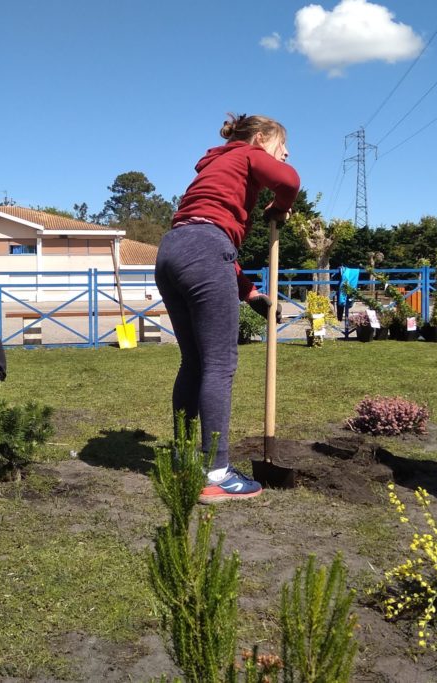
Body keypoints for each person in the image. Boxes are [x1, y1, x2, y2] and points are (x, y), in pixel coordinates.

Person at [155, 113, 300, 503]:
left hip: (172, 250)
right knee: (220, 365)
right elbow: (290, 182)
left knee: (194, 363)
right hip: (204, 248)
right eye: (281, 146)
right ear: (259, 138)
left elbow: (206, 243)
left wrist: (249, 292)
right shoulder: (246, 154)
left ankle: (188, 460)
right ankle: (216, 473)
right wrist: (280, 205)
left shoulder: (216, 168)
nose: (284, 154)